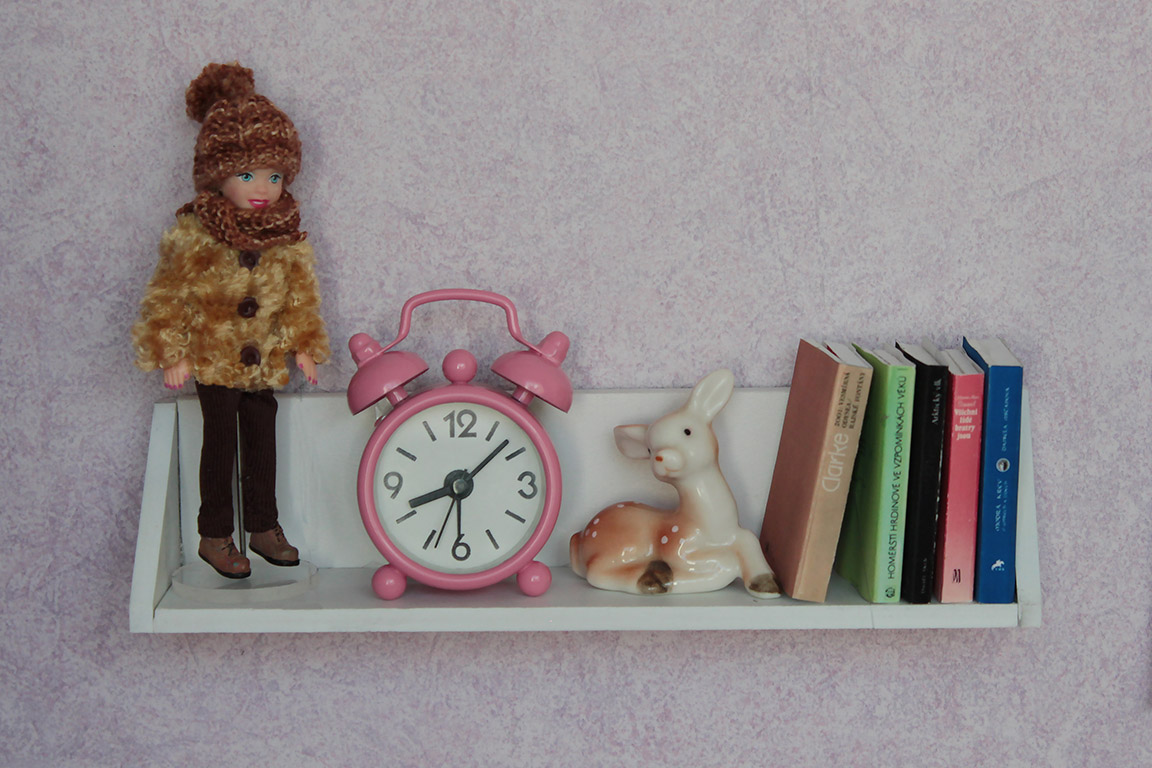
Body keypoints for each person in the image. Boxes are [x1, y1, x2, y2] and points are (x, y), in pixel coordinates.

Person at [132, 62, 329, 579]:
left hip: (262, 365)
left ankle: (263, 526)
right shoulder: (194, 233)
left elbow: (299, 297)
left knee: (263, 445)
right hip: (215, 359)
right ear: (217, 176)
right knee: (218, 447)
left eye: (274, 176)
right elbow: (168, 295)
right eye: (247, 175)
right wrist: (172, 351)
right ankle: (214, 534)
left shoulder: (286, 237)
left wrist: (303, 344)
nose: (263, 187)